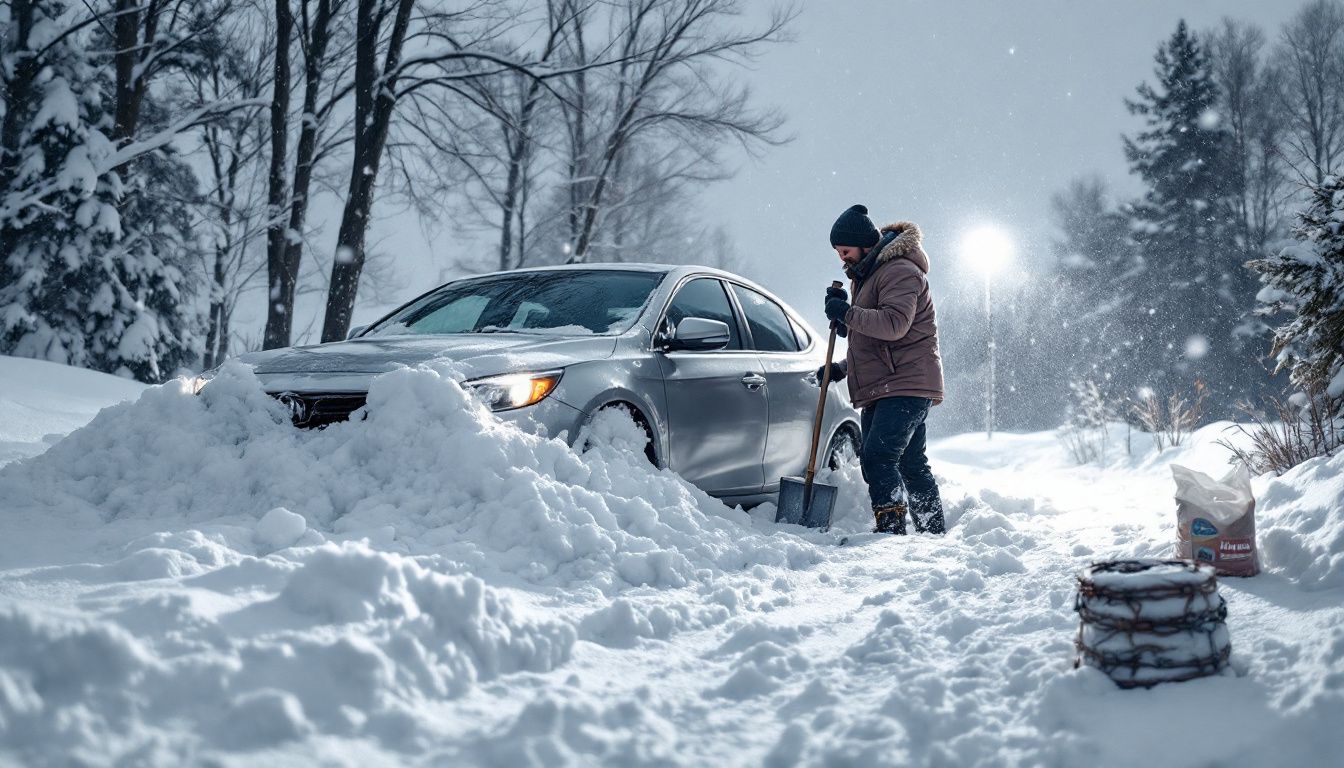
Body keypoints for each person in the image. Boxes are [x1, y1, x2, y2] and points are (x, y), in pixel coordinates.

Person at [819, 204, 946, 535]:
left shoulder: (899, 271)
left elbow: (894, 325)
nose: (842, 258)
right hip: (891, 384)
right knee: (910, 463)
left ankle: (891, 530)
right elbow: (875, 342)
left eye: (844, 250)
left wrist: (847, 313)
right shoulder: (871, 275)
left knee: (877, 458)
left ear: (863, 244)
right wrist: (842, 369)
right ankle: (933, 531)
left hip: (904, 385)